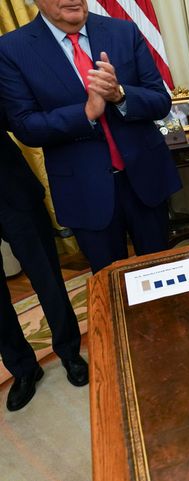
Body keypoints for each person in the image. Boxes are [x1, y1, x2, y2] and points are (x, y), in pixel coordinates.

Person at [0, 0, 182, 273]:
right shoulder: (12, 49)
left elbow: (160, 100)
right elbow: (26, 126)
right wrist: (85, 113)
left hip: (145, 181)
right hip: (84, 190)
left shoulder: (123, 31)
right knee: (109, 284)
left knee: (163, 273)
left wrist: (120, 95)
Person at [1, 111, 86, 412]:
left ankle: (69, 352)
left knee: (47, 278)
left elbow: (14, 116)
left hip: (10, 188)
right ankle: (23, 369)